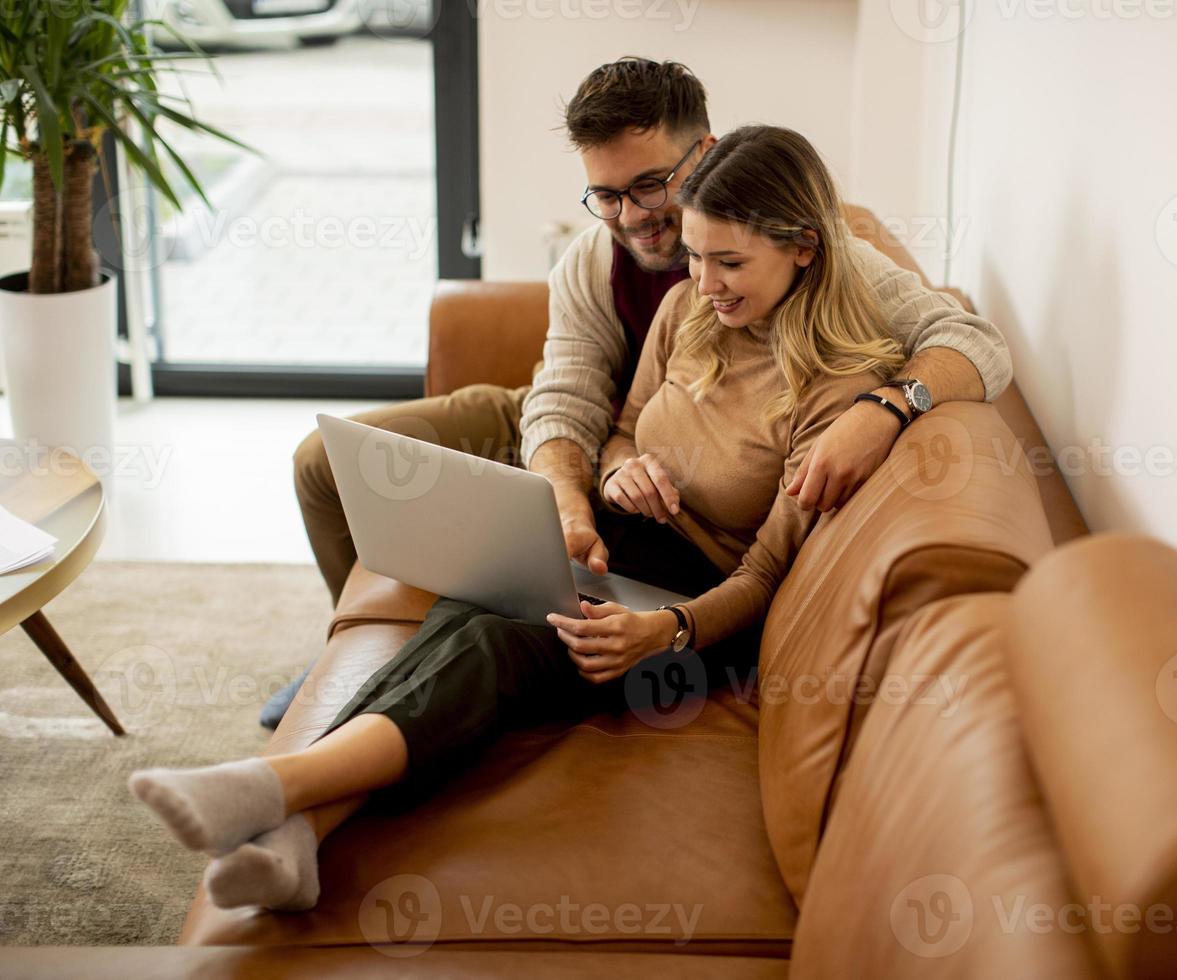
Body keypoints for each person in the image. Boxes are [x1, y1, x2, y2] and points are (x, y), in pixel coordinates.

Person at [131, 125, 953, 912]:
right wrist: (623, 468)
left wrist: (664, 631)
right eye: (695, 256)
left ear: (803, 246)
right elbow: (623, 426)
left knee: (490, 647)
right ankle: (297, 839)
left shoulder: (836, 392)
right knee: (472, 602)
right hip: (628, 549)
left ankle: (276, 785)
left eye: (729, 261)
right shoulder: (690, 314)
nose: (704, 282)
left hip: (705, 618)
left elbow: (764, 577)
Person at [265, 56, 1011, 729]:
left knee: (506, 606)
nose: (632, 217)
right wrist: (570, 490)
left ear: (706, 153)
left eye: (650, 185)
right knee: (323, 464)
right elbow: (564, 399)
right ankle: (357, 642)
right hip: (599, 432)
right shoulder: (595, 261)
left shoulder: (819, 254)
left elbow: (977, 344)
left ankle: (406, 673)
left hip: (683, 480)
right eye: (607, 195)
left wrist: (886, 407)